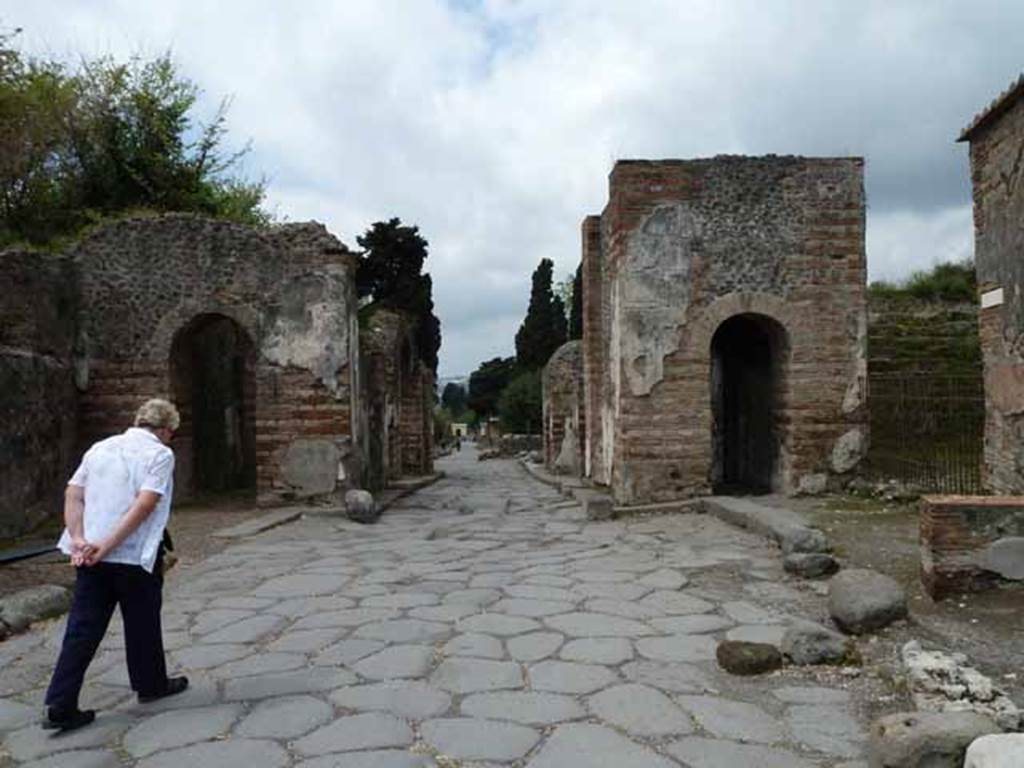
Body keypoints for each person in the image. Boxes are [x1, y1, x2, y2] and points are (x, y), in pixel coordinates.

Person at [43, 398, 189, 732]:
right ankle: (150, 684)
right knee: (142, 621)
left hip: (89, 555)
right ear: (167, 429)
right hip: (133, 555)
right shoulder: (160, 454)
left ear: (139, 421)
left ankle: (61, 703)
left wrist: (80, 539)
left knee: (82, 628)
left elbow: (72, 494)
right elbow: (145, 504)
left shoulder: (100, 448)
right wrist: (107, 545)